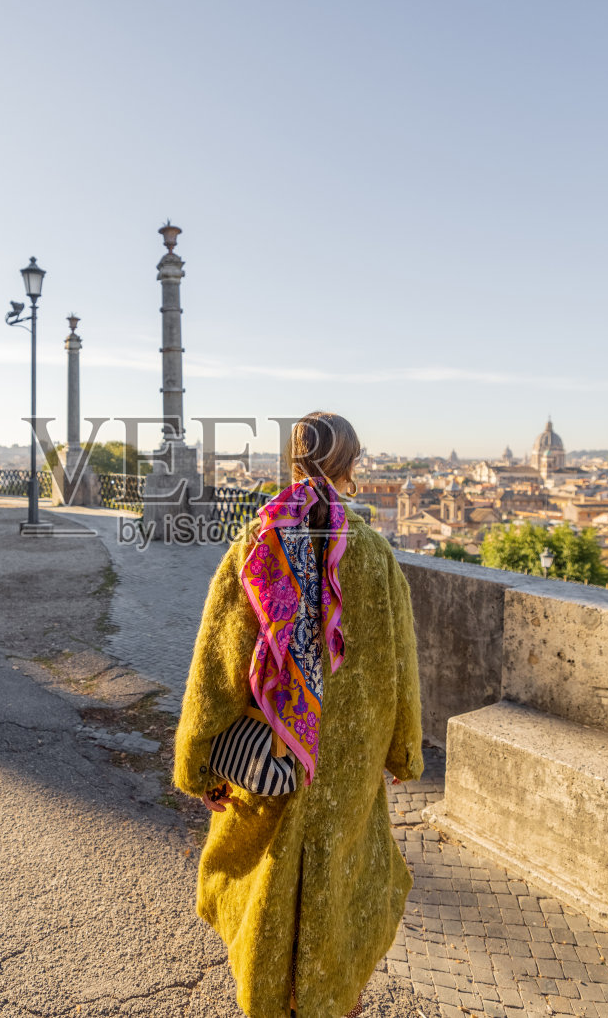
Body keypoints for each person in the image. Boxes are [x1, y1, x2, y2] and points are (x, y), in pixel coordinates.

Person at [174, 411, 423, 1018]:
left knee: (265, 879)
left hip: (273, 759)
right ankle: (333, 998)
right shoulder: (374, 555)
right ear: (352, 465)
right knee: (344, 887)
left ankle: (269, 996)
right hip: (349, 764)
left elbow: (217, 665)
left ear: (292, 460)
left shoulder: (255, 546)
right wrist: (403, 751)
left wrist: (198, 762)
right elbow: (399, 662)